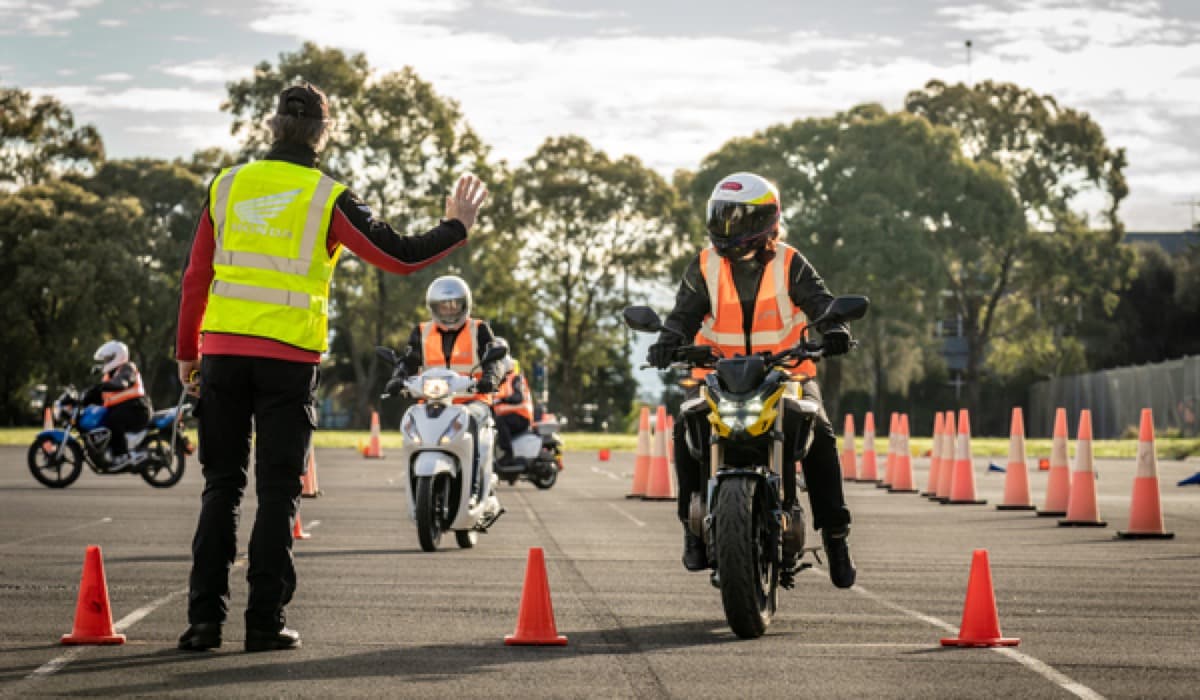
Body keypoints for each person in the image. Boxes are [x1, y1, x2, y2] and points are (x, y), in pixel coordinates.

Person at [175, 82, 487, 653]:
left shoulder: (226, 185)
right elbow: (396, 255)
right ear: (325, 131)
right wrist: (456, 227)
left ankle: (202, 624)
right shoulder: (328, 197)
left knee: (220, 488)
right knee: (276, 493)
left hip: (220, 355)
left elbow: (196, 277)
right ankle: (264, 623)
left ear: (272, 125)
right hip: (286, 363)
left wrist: (187, 354)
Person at [646, 171, 856, 588]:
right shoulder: (705, 265)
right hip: (718, 378)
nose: (728, 228)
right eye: (722, 217)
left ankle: (835, 536)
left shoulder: (789, 262)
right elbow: (683, 315)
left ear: (767, 222)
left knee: (821, 436)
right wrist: (667, 343)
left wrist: (834, 330)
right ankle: (691, 529)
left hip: (787, 374)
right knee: (686, 427)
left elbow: (820, 302)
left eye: (739, 218)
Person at [394, 275, 506, 497]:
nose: (449, 310)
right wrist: (397, 378)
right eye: (442, 306)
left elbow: (494, 360)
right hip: (433, 400)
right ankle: (417, 485)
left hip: (473, 399)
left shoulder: (479, 329)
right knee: (411, 421)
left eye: (454, 304)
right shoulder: (421, 332)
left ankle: (472, 489)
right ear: (433, 307)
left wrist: (491, 377)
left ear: (465, 304)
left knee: (471, 422)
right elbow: (409, 361)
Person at [82, 340, 152, 469]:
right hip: (126, 409)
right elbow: (102, 395)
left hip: (138, 409)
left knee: (113, 421)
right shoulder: (110, 375)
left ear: (118, 357)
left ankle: (122, 455)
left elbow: (123, 382)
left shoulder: (127, 368)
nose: (105, 362)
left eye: (108, 359)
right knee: (103, 419)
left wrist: (102, 386)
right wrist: (84, 397)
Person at [492, 359, 534, 463]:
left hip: (521, 415)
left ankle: (508, 454)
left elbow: (518, 397)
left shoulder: (516, 378)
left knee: (500, 421)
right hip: (514, 414)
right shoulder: (504, 380)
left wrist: (502, 400)